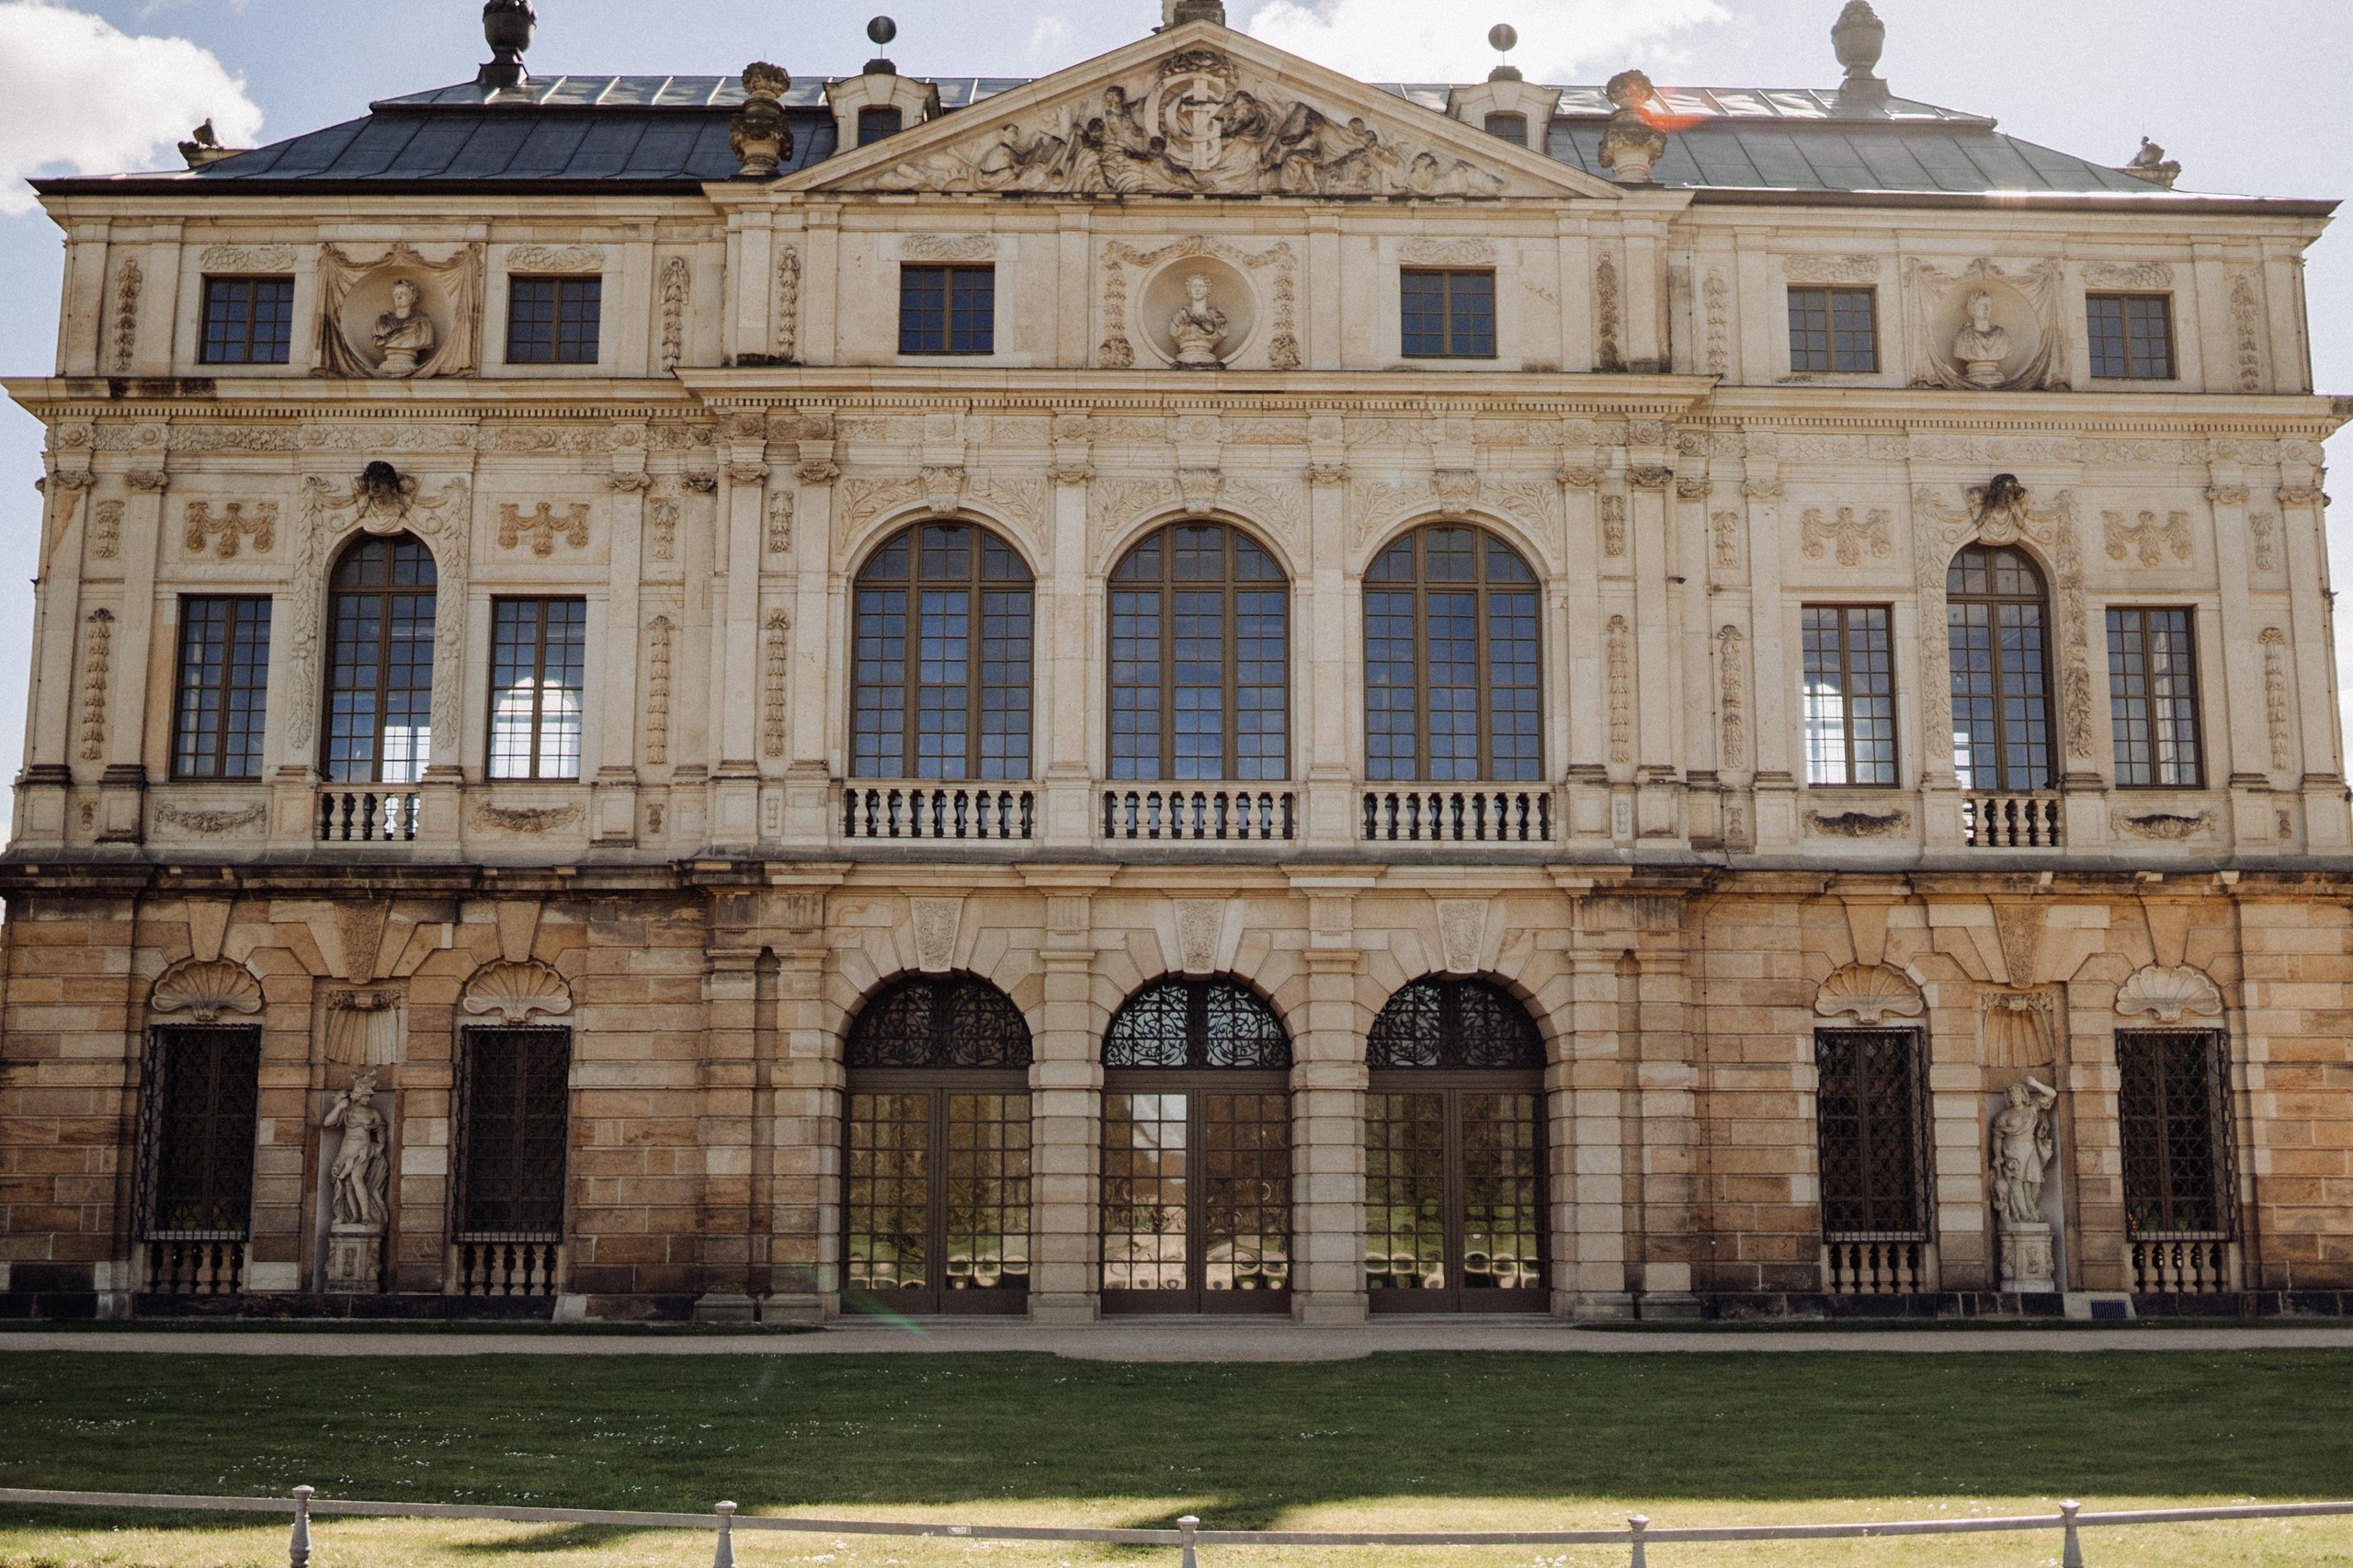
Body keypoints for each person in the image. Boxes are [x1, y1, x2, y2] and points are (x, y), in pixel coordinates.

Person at [324, 1072, 391, 1227]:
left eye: (369, 1097)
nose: (368, 1099)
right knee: (346, 1184)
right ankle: (355, 1215)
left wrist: (381, 1146)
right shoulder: (347, 1110)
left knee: (357, 1178)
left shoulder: (373, 1112)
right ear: (358, 1095)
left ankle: (366, 1215)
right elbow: (328, 1122)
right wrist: (339, 1107)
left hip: (363, 1150)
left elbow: (381, 1131)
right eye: (366, 1096)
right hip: (346, 1150)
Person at [1988, 1076, 2057, 1225]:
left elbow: (2052, 1094)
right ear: (2009, 1098)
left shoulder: (2032, 1108)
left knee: (2035, 1181)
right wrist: (1998, 1155)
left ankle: (2032, 1208)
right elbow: (1997, 1137)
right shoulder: (2004, 1115)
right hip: (2012, 1148)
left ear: (2024, 1096)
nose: (2015, 1099)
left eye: (2018, 1096)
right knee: (2017, 1180)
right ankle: (2023, 1213)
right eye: (2012, 1097)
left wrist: (2036, 1084)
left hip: (2030, 1148)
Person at [372, 278, 437, 376]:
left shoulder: (422, 323)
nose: (399, 297)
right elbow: (377, 339)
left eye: (403, 293)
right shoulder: (383, 321)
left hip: (409, 361)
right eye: (396, 294)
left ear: (412, 298)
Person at [1952, 290, 2012, 387]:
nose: (1986, 308)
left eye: (1989, 305)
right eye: (1982, 304)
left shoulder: (2001, 335)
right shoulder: (1964, 336)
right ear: (1972, 309)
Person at [1167, 273, 1228, 367]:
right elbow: (1174, 332)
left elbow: (1222, 333)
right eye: (1194, 286)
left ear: (1208, 290)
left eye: (1201, 286)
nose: (1197, 289)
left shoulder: (1217, 318)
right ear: (1189, 290)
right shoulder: (1180, 316)